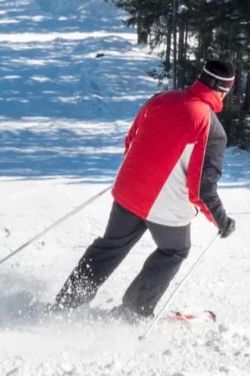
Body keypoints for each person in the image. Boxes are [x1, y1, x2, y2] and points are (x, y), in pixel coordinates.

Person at [54, 59, 238, 320]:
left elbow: (132, 140)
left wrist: (137, 173)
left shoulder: (162, 99)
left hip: (129, 191)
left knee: (110, 246)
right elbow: (202, 189)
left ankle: (66, 303)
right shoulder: (211, 127)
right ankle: (132, 312)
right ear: (222, 91)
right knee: (174, 250)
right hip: (166, 208)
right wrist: (221, 220)